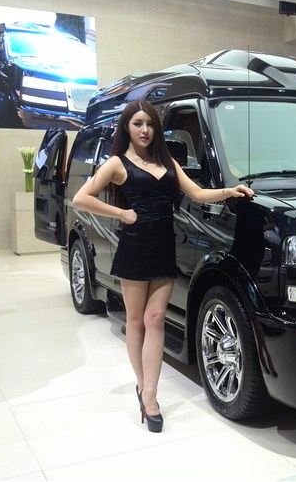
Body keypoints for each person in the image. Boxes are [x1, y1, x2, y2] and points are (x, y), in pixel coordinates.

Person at [73, 100, 254, 432]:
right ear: (127, 127)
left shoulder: (167, 161)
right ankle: (145, 389)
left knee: (156, 319)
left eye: (150, 124)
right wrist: (121, 213)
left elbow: (197, 193)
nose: (144, 130)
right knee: (136, 321)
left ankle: (151, 393)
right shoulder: (117, 163)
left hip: (163, 248)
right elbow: (81, 198)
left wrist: (230, 190)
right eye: (138, 124)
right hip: (134, 247)